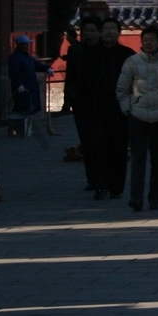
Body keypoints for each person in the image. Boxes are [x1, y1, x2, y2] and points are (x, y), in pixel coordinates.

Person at [115, 21, 158, 212]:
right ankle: (136, 197)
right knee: (137, 158)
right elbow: (122, 89)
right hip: (137, 115)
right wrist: (127, 110)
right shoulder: (132, 62)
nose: (148, 43)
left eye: (151, 40)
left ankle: (155, 198)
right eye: (145, 40)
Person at [83, 18, 134, 200]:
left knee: (119, 149)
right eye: (105, 29)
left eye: (112, 29)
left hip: (120, 110)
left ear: (119, 33)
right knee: (97, 148)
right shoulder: (89, 54)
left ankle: (116, 187)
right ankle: (99, 185)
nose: (108, 32)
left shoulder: (128, 55)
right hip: (95, 109)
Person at [62, 16, 105, 190]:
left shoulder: (105, 50)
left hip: (102, 102)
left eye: (92, 31)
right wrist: (70, 98)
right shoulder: (76, 50)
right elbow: (70, 75)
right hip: (82, 102)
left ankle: (104, 176)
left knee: (102, 141)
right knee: (86, 142)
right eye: (86, 31)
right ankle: (92, 179)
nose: (89, 34)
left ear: (99, 32)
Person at [7, 34, 50, 136]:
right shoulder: (15, 57)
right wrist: (18, 85)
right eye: (25, 44)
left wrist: (47, 68)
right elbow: (13, 72)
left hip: (31, 86)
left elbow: (36, 65)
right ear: (20, 45)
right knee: (22, 107)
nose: (27, 46)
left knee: (30, 107)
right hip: (23, 87)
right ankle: (21, 128)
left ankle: (27, 128)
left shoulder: (27, 56)